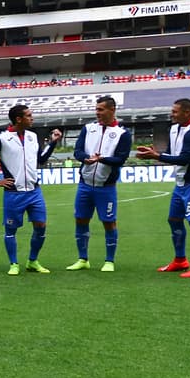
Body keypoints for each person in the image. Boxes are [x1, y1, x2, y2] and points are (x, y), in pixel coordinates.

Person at [0, 104, 62, 275]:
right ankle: (13, 264)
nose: (32, 118)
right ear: (19, 119)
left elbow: (41, 159)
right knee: (11, 230)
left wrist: (53, 143)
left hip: (34, 191)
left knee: (41, 226)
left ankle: (32, 261)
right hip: (13, 193)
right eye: (29, 115)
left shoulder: (33, 136)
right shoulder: (1, 138)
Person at [137, 98, 190, 278]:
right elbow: (172, 153)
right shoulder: (173, 129)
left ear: (187, 113)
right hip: (180, 184)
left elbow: (184, 158)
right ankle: (180, 260)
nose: (172, 114)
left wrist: (157, 156)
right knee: (174, 220)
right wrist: (154, 152)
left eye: (175, 111)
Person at [68, 97, 132, 273]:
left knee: (109, 222)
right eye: (96, 109)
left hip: (106, 187)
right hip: (85, 185)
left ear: (112, 110)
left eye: (101, 109)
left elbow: (120, 159)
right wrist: (85, 159)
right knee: (80, 219)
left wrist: (102, 159)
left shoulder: (123, 133)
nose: (97, 112)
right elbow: (78, 151)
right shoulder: (88, 129)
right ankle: (83, 259)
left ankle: (109, 260)